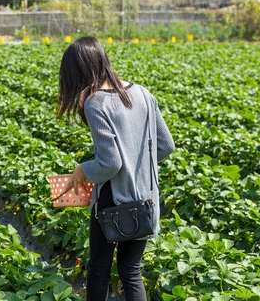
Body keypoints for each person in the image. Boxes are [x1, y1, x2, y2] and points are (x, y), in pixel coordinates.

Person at [56, 37, 174, 301]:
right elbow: (166, 146)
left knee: (99, 267)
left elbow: (111, 163)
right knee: (131, 271)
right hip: (145, 199)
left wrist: (82, 170)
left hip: (113, 201)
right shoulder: (143, 93)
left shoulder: (95, 102)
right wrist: (138, 165)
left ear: (79, 70)